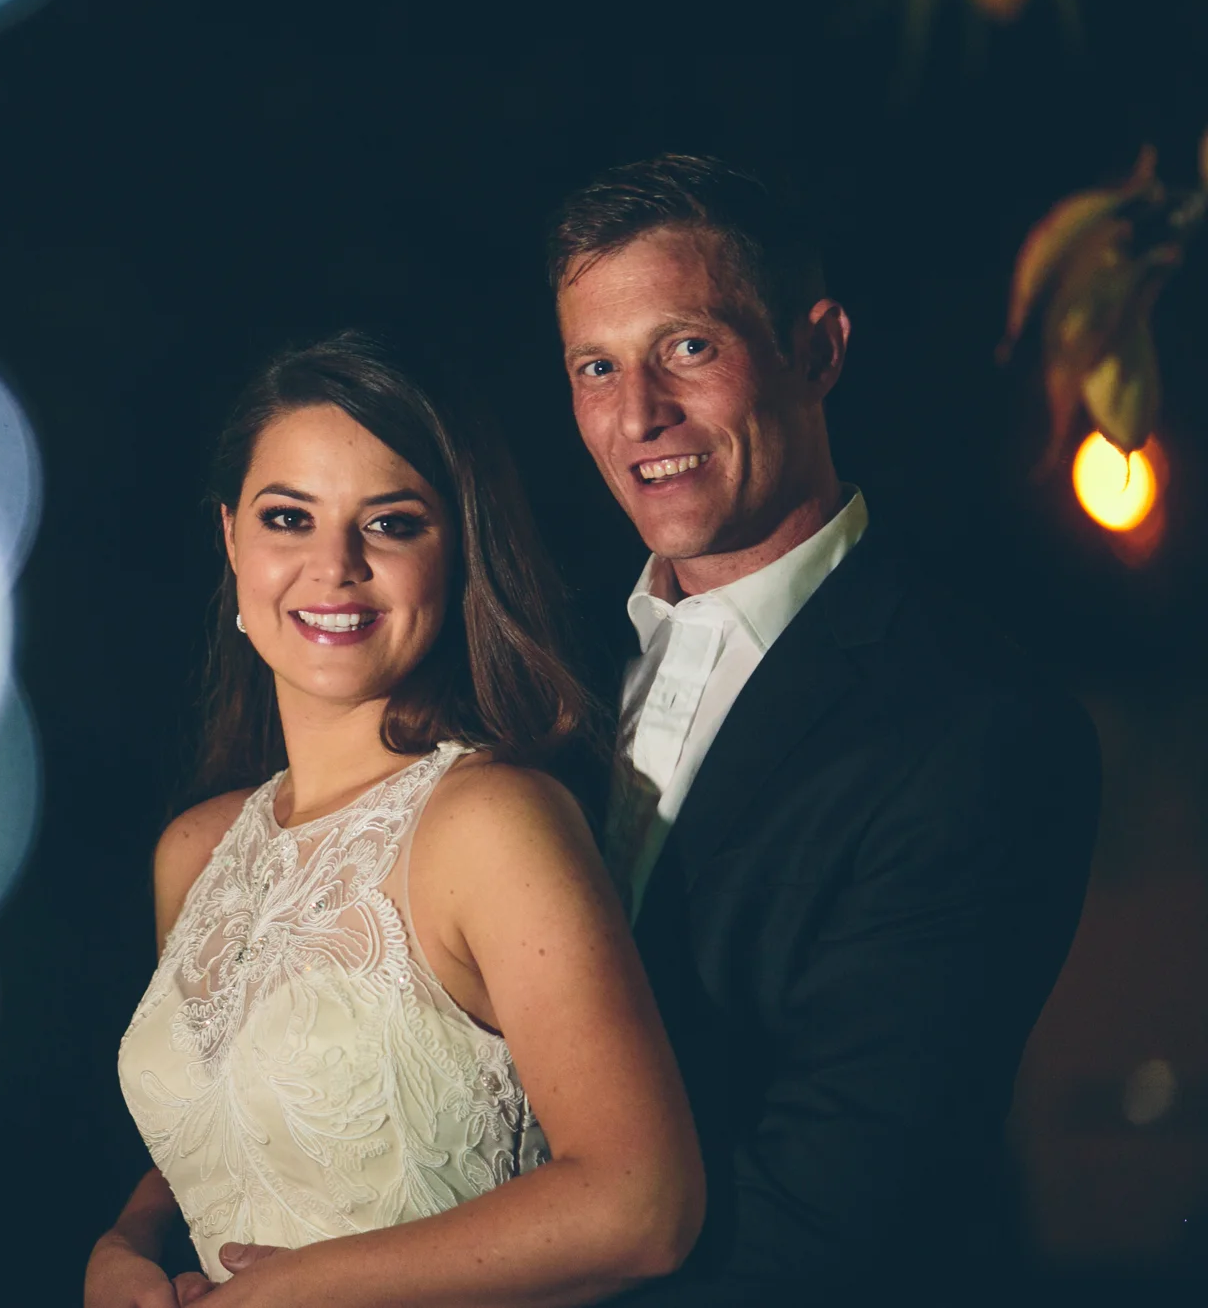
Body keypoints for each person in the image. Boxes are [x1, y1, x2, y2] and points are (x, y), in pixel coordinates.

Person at [548, 154, 1100, 1305]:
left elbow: (833, 1208)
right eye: (597, 367)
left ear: (818, 350)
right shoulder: (540, 680)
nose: (639, 412)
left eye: (687, 348)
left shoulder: (973, 724)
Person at [86, 336, 705, 1307]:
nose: (332, 566)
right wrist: (125, 1238)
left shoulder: (490, 824)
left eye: (389, 524)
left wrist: (294, 1292)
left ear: (456, 553)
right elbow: (237, 1118)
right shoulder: (194, 851)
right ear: (230, 541)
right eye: (287, 518)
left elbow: (642, 1205)